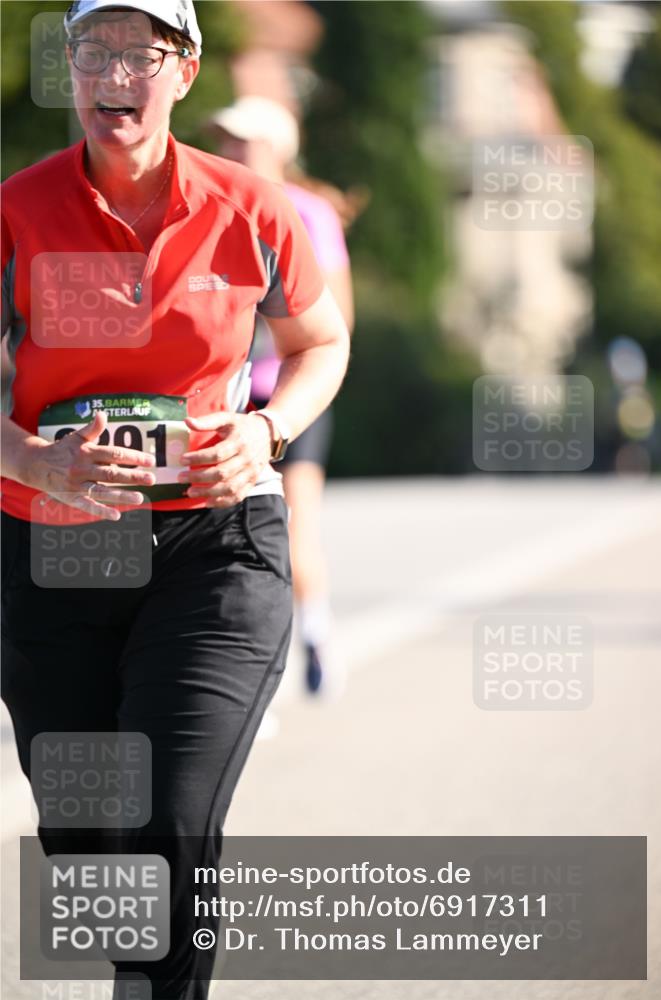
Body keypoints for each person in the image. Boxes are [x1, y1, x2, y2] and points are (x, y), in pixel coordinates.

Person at [0, 3, 349, 999]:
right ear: (70, 65)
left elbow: (321, 343)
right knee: (87, 846)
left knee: (172, 817)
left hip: (213, 546)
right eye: (92, 51)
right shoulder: (16, 210)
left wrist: (267, 430)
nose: (114, 74)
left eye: (140, 53)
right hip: (54, 551)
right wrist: (36, 461)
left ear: (184, 70)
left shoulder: (254, 208)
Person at [208, 96, 354, 696]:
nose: (228, 150)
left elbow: (337, 320)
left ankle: (314, 634)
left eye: (241, 140)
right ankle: (241, 671)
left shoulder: (310, 214)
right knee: (223, 537)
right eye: (224, 139)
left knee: (291, 526)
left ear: (275, 149)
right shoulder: (214, 207)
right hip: (228, 398)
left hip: (290, 398)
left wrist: (270, 322)